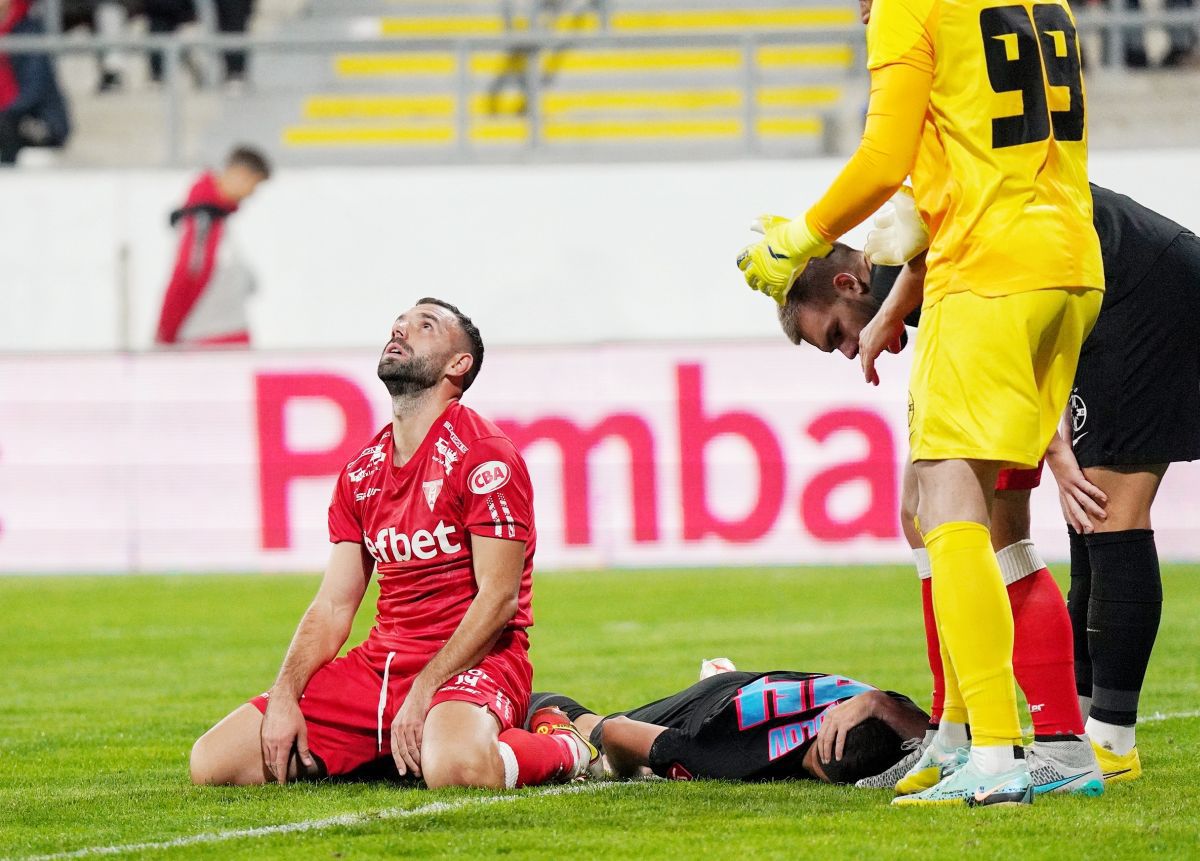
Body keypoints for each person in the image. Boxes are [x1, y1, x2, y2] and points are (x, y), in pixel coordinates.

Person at [736, 0, 1104, 806]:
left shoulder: (910, 5)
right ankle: (1029, 743)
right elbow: (969, 158)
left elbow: (881, 157)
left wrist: (799, 234)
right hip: (1070, 260)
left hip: (990, 272)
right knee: (996, 519)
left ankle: (998, 752)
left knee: (944, 504)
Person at [775, 182, 1199, 788]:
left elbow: (1013, 305)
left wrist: (1051, 446)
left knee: (1108, 511)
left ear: (849, 285)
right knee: (1073, 520)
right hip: (1100, 291)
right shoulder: (905, 267)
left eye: (839, 334)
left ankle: (1106, 742)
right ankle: (1063, 736)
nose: (852, 351)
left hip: (1139, 288)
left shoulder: (906, 266)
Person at [189, 299, 597, 789]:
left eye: (424, 326)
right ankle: (398, 747)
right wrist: (284, 695)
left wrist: (425, 688)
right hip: (382, 668)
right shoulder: (361, 473)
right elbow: (335, 605)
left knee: (458, 770)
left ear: (458, 364)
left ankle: (564, 742)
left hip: (477, 662)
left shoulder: (486, 458)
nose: (400, 331)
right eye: (398, 325)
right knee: (214, 763)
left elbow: (499, 598)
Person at [526, 663, 929, 785]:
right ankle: (548, 708)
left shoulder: (882, 708)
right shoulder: (731, 755)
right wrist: (627, 772)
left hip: (766, 690)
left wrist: (875, 699)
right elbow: (616, 732)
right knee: (568, 719)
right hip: (714, 706)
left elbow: (931, 729)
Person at [153, 145, 270, 347]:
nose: (251, 194)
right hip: (211, 341)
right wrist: (165, 336)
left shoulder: (214, 217)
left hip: (217, 338)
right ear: (241, 175)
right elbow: (186, 275)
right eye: (254, 185)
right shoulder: (204, 218)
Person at [0, 0, 71, 165]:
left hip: (38, 120)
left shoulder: (28, 30)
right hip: (9, 117)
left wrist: (5, 114)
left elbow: (34, 88)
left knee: (6, 127)